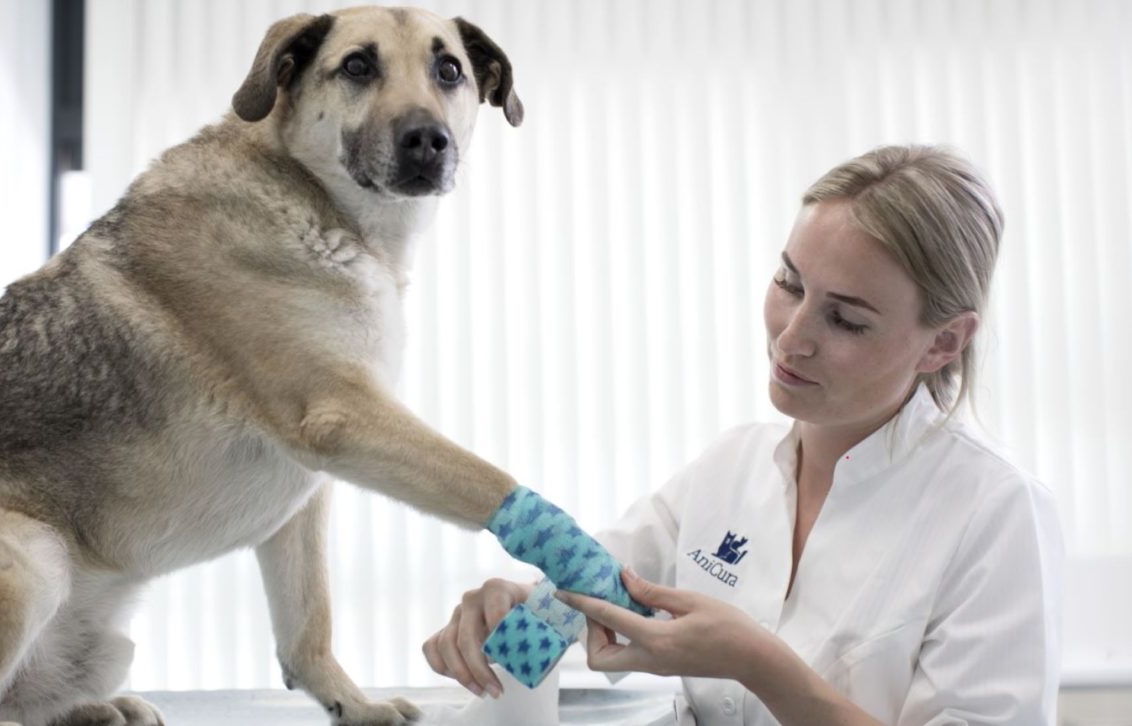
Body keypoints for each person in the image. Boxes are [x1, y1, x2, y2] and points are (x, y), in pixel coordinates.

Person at [422, 145, 1064, 725]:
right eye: (790, 283)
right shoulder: (731, 467)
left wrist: (762, 666)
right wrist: (514, 604)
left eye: (844, 319)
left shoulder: (997, 514)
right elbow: (595, 583)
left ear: (944, 341)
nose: (791, 337)